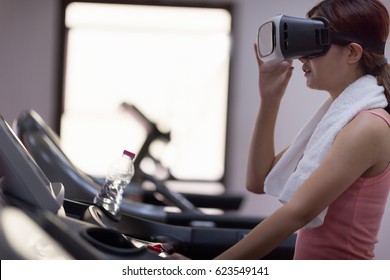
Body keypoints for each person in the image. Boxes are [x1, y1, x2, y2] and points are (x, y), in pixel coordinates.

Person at [171, 0, 390, 260]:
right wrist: (269, 99)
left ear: (352, 53)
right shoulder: (338, 121)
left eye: (315, 44)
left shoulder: (368, 126)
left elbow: (297, 213)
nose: (301, 57)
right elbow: (259, 180)